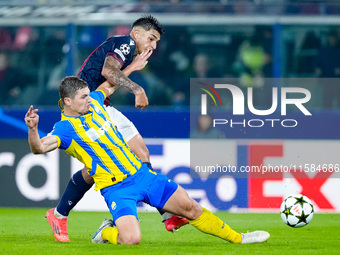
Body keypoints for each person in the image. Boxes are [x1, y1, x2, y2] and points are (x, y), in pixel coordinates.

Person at [25, 76, 270, 245]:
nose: (89, 99)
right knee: (131, 239)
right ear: (67, 102)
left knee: (192, 208)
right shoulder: (64, 129)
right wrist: (33, 129)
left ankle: (239, 238)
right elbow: (39, 149)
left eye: (89, 95)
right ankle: (105, 233)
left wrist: (134, 70)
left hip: (143, 176)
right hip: (117, 189)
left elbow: (110, 84)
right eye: (83, 97)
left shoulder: (97, 104)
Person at [45, 15, 187, 242]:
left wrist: (132, 67)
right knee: (97, 169)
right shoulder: (127, 43)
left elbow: (109, 76)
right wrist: (138, 89)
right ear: (137, 33)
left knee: (128, 158)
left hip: (101, 107)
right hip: (90, 110)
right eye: (151, 39)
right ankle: (60, 214)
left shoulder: (127, 50)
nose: (153, 46)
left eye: (156, 42)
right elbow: (109, 72)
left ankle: (167, 214)